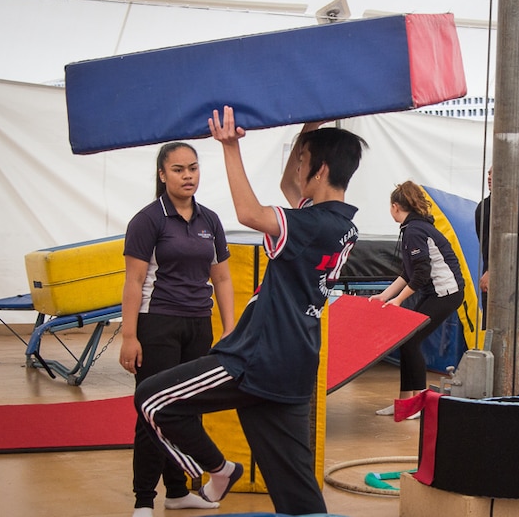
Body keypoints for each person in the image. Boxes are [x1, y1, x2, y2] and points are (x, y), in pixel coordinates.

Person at [134, 108, 367, 515]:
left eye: (303, 160)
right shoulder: (339, 223)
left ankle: (219, 470)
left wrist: (229, 146)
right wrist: (311, 124)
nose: (297, 166)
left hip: (257, 356)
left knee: (152, 399)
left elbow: (249, 213)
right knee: (295, 487)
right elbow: (287, 183)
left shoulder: (310, 225)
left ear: (321, 169)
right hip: (294, 366)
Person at [120, 142, 235, 517]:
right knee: (152, 411)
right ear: (162, 174)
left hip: (198, 325)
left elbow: (221, 279)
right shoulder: (148, 220)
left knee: (187, 411)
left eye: (194, 168)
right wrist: (129, 336)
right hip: (158, 325)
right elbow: (134, 282)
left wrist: (231, 330)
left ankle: (178, 490)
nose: (188, 176)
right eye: (179, 169)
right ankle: (143, 500)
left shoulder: (210, 221)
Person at [370, 181, 465, 417]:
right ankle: (405, 402)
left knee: (411, 341)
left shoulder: (414, 230)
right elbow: (408, 273)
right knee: (406, 340)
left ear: (395, 207)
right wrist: (384, 296)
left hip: (446, 293)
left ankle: (421, 403)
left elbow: (421, 274)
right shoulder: (413, 228)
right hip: (434, 293)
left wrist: (399, 300)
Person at [475, 167, 519, 393]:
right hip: (493, 281)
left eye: (497, 174)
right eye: (489, 175)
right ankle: (496, 383)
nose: (491, 178)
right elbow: (486, 245)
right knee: (494, 330)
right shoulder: (483, 208)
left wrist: (493, 270)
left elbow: (517, 245)